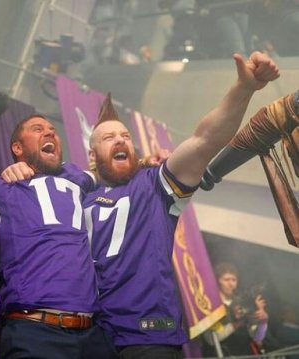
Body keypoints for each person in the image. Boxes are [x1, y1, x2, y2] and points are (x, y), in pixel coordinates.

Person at [83, 51, 279, 358]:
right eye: (109, 137)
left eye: (125, 135)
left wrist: (243, 88)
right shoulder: (74, 196)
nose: (121, 140)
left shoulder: (153, 185)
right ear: (92, 156)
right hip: (86, 339)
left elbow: (204, 141)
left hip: (147, 336)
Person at [0, 114, 119, 358]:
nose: (50, 132)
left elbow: (110, 172)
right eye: (38, 129)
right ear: (17, 148)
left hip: (93, 336)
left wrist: (148, 161)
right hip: (32, 332)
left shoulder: (75, 176)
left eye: (53, 128)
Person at [202, 263, 269, 356]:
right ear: (217, 281)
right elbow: (211, 339)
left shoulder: (242, 303)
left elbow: (257, 338)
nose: (231, 284)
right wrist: (235, 323)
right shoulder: (210, 304)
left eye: (234, 280)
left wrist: (263, 321)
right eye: (226, 280)